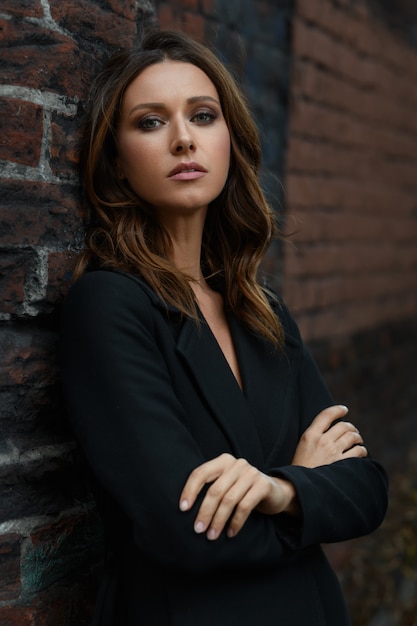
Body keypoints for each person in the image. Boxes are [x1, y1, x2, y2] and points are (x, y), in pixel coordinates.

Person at [60, 29, 388, 626]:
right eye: (151, 123)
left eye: (203, 115)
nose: (184, 138)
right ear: (118, 164)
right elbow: (183, 530)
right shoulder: (109, 305)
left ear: (229, 140)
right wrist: (308, 490)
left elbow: (366, 489)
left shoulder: (260, 309)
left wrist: (279, 492)